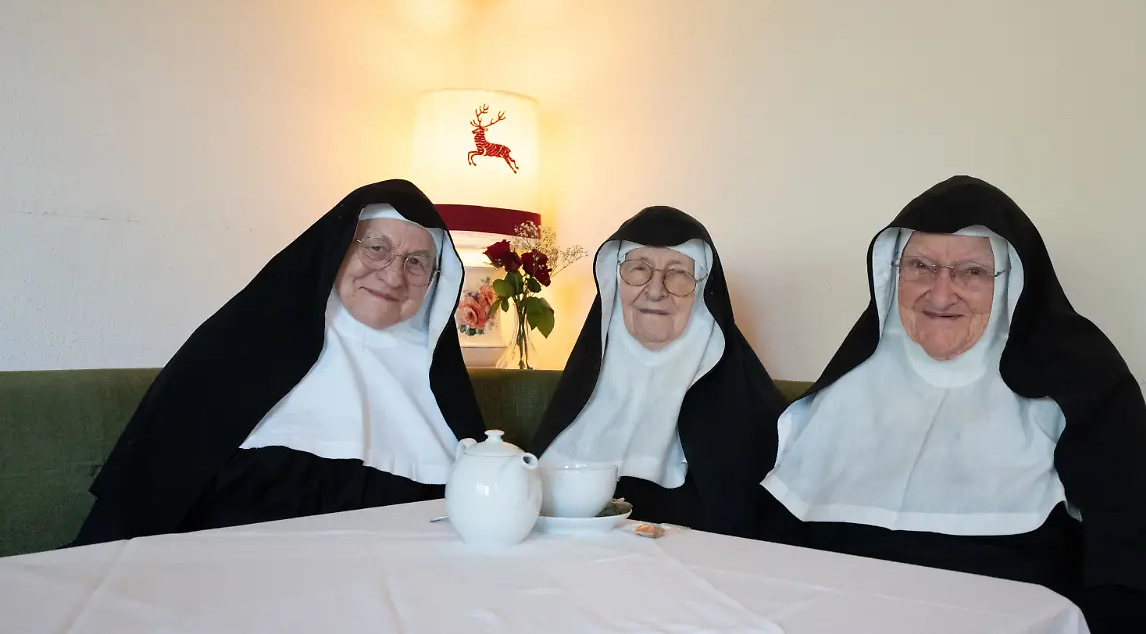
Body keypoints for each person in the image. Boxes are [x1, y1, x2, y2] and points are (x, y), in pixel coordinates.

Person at [760, 175, 1146, 632]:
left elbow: (1141, 566)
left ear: (1012, 283)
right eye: (921, 267)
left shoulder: (1080, 381)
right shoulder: (845, 391)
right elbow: (773, 551)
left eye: (972, 272)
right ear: (892, 277)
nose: (941, 293)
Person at [73, 179, 485, 544]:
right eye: (377, 248)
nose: (394, 276)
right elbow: (147, 496)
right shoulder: (242, 345)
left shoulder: (441, 390)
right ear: (339, 246)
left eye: (417, 263)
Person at [531, 206, 784, 536]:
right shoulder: (584, 383)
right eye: (638, 269)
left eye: (678, 273)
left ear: (703, 288)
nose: (655, 290)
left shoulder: (744, 400)